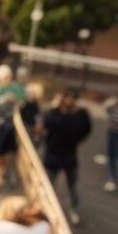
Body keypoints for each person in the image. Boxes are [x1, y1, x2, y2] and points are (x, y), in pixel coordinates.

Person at [40, 89, 92, 224]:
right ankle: (47, 209)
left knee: (69, 185)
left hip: (65, 156)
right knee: (51, 185)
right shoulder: (76, 116)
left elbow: (45, 127)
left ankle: (70, 209)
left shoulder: (71, 116)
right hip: (58, 156)